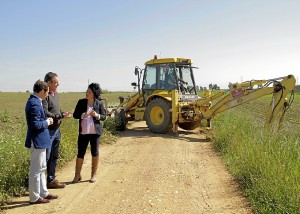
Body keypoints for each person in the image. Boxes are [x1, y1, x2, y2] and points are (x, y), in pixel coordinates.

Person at [25, 80, 58, 204]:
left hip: (41, 140)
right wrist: (47, 122)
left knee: (42, 167)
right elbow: (34, 124)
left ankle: (43, 192)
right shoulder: (33, 103)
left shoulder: (37, 101)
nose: (48, 94)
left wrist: (45, 120)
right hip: (37, 140)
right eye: (47, 92)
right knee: (36, 170)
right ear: (42, 91)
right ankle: (34, 197)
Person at [42, 72, 72, 189]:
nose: (58, 84)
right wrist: (60, 116)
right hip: (48, 131)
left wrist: (62, 113)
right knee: (46, 157)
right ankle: (40, 183)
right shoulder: (45, 95)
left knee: (54, 156)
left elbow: (56, 109)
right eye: (55, 82)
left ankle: (51, 180)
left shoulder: (56, 94)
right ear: (48, 83)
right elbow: (45, 113)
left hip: (56, 130)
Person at [72, 83, 106, 183]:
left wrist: (97, 115)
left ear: (94, 93)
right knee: (80, 153)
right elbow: (75, 115)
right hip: (83, 132)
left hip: (95, 133)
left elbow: (104, 116)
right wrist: (83, 115)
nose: (87, 93)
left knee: (94, 152)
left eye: (89, 92)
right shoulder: (81, 102)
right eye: (87, 91)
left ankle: (93, 175)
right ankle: (77, 175)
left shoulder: (99, 103)